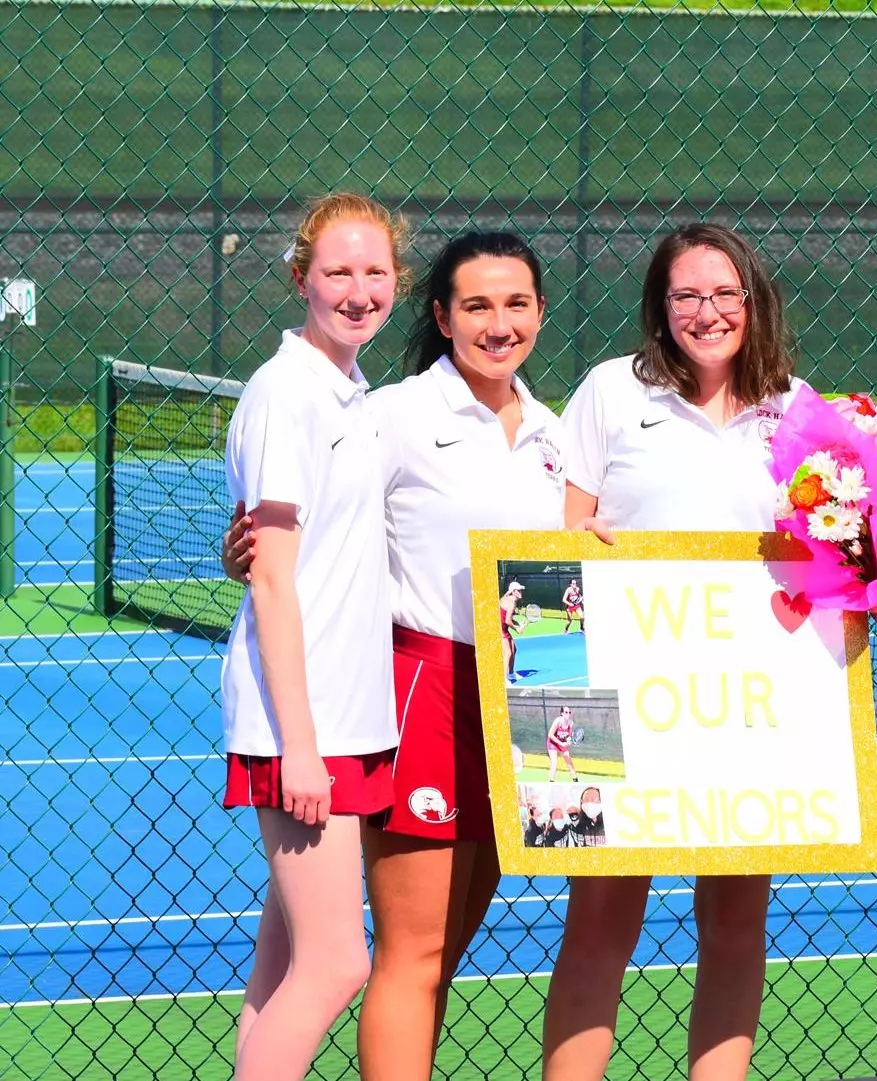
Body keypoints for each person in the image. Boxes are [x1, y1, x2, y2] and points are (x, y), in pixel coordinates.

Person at [219, 230, 570, 1081]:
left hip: (535, 698)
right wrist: (243, 551)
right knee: (403, 954)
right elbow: (309, 522)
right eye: (477, 305)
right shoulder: (392, 414)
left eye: (516, 303)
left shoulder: (561, 435)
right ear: (442, 316)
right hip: (423, 693)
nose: (499, 323)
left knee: (442, 951)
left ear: (541, 313)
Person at [543, 223, 805, 1081]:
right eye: (687, 294)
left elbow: (826, 553)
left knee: (734, 921)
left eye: (725, 293)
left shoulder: (795, 408)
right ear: (661, 305)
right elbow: (561, 537)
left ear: (751, 300)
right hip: (620, 699)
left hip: (746, 709)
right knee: (603, 918)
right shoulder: (611, 391)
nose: (707, 311)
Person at [218, 192, 405, 1081]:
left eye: (376, 272)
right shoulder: (287, 392)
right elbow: (273, 577)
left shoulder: (350, 393)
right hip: (306, 724)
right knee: (339, 963)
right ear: (302, 278)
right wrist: (301, 747)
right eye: (339, 271)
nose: (359, 290)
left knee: (283, 967)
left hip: (346, 715)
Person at [547, 706, 580, 783]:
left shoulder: (571, 723)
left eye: (569, 712)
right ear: (562, 713)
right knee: (554, 763)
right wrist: (561, 743)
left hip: (562, 743)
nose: (568, 714)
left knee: (569, 763)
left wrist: (568, 741)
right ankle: (551, 784)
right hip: (552, 743)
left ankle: (576, 782)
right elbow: (550, 735)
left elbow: (569, 735)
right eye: (566, 712)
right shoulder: (557, 721)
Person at [500, 581, 525, 683]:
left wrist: (517, 624)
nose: (521, 592)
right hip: (500, 630)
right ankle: (504, 680)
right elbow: (507, 621)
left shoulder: (506, 597)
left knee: (513, 648)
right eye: (518, 590)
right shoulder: (512, 603)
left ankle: (511, 674)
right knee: (508, 653)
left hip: (502, 628)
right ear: (514, 592)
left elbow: (506, 617)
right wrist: (517, 628)